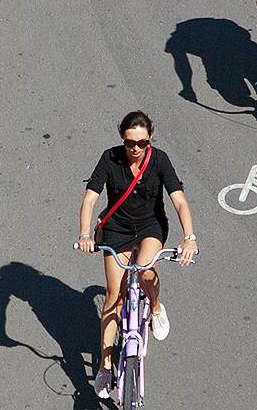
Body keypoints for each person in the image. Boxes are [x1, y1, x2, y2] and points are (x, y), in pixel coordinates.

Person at [76, 111, 198, 399]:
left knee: (145, 269)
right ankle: (106, 367)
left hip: (149, 227)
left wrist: (189, 238)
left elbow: (178, 201)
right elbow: (90, 198)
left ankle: (155, 307)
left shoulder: (160, 160)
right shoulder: (110, 158)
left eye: (142, 143)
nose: (136, 149)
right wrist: (84, 235)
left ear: (149, 139)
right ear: (122, 138)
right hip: (117, 229)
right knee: (113, 296)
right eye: (130, 142)